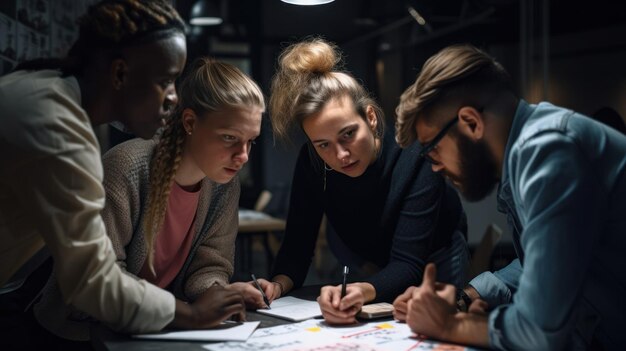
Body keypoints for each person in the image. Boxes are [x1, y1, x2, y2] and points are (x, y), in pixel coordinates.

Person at [0, 0, 244, 348]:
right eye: (165, 81)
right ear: (119, 74)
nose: (173, 99)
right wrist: (192, 315)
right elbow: (92, 282)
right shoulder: (57, 128)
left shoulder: (52, 95)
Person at [393, 44, 626, 350]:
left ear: (471, 122)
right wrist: (467, 297)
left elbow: (540, 331)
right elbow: (545, 263)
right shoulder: (530, 149)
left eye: (431, 149)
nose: (435, 167)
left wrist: (449, 324)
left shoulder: (548, 150)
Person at [33, 57, 267, 341]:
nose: (243, 156)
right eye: (229, 138)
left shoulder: (223, 183)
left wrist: (218, 293)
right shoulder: (128, 168)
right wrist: (188, 312)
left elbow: (210, 264)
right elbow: (100, 279)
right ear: (190, 122)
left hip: (157, 328)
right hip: (82, 330)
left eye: (251, 140)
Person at [261, 38, 469, 325]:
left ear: (370, 118)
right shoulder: (312, 162)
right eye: (323, 144)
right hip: (367, 254)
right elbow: (297, 245)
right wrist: (278, 284)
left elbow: (408, 263)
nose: (340, 155)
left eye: (348, 134)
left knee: (434, 328)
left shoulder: (413, 154)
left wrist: (363, 289)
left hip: (435, 253)